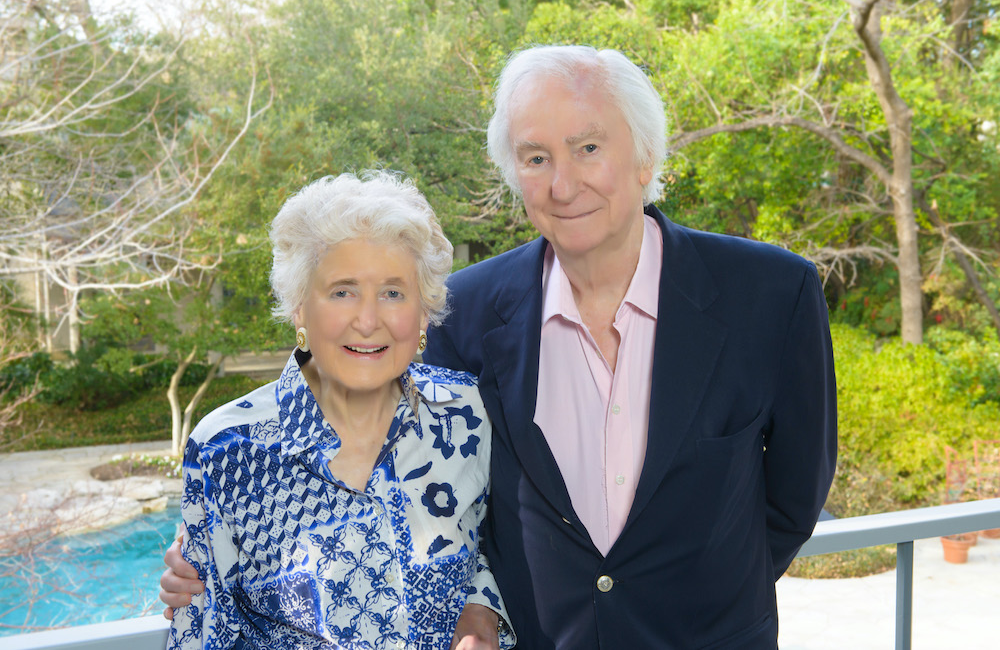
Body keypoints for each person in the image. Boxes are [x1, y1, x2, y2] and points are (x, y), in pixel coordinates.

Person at [163, 45, 837, 649]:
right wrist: (214, 542)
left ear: (646, 157)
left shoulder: (773, 296)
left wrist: (704, 597)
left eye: (588, 149)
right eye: (536, 157)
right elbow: (409, 478)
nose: (562, 184)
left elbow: (792, 500)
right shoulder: (466, 313)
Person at [164, 171, 514, 650]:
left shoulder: (468, 411)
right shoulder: (226, 449)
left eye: (393, 292)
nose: (368, 321)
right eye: (342, 291)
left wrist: (482, 611)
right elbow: (202, 633)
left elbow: (503, 541)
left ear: (423, 312)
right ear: (299, 308)